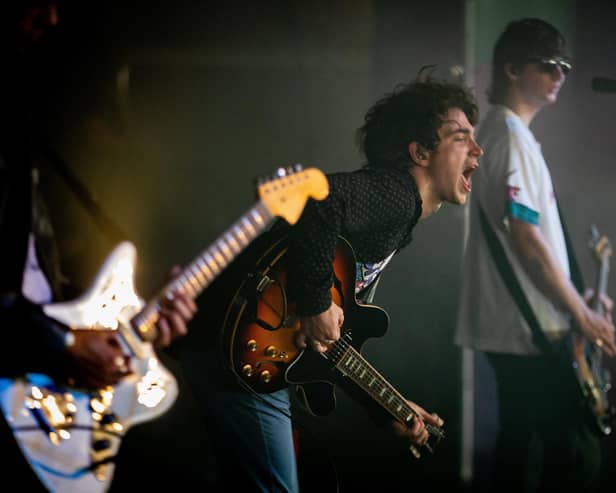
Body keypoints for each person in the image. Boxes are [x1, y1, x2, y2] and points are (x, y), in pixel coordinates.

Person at [175, 73, 482, 492]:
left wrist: (387, 407)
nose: (477, 150)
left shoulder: (396, 222)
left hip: (242, 345)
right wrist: (316, 303)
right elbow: (320, 198)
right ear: (420, 152)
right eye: (461, 137)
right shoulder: (398, 193)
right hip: (240, 346)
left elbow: (330, 343)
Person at [0, 2, 197, 491]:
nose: (50, 19)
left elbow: (28, 281)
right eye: (38, 5)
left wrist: (134, 322)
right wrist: (63, 343)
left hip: (30, 375)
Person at [455, 18, 615, 493]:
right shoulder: (508, 137)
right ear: (511, 68)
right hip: (531, 333)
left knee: (520, 450)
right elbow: (525, 237)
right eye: (548, 65)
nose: (560, 75)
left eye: (564, 66)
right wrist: (581, 314)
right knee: (573, 456)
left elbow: (529, 239)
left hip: (527, 327)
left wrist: (579, 298)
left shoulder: (508, 136)